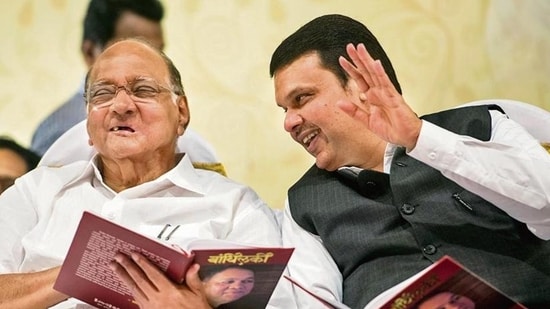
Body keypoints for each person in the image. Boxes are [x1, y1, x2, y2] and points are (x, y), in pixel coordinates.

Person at [269, 14, 550, 308]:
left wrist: (421, 138)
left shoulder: (482, 126)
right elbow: (309, 302)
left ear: (359, 85)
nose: (289, 123)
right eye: (284, 110)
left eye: (301, 98)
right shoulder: (302, 203)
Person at [0, 38, 289, 309]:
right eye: (103, 93)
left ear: (182, 113)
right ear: (89, 121)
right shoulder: (35, 192)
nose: (121, 106)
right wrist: (83, 268)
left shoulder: (236, 207)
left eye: (143, 90)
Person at [30, 0, 220, 170]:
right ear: (89, 52)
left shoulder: (192, 148)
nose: (146, 61)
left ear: (182, 113)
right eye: (129, 49)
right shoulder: (59, 132)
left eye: (157, 51)